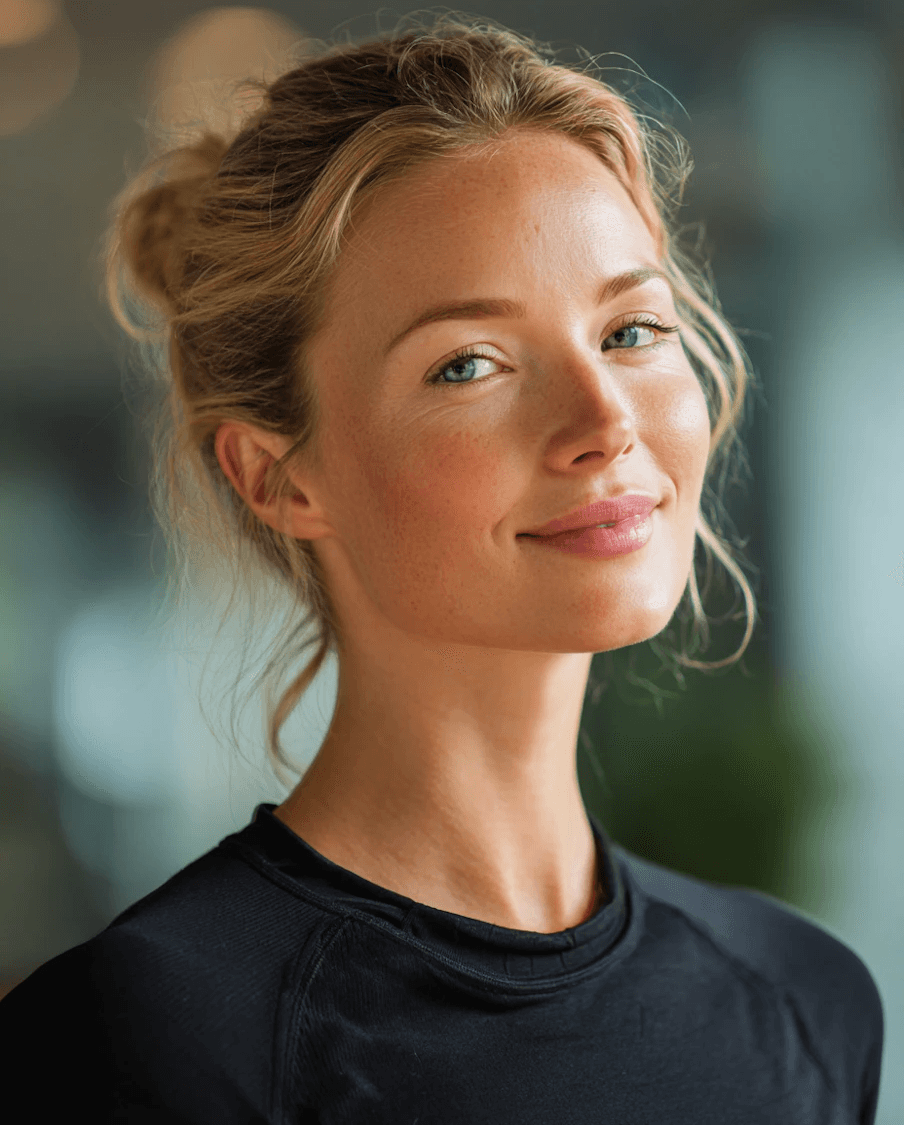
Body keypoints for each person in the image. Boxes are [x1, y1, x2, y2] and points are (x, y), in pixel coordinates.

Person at [0, 13, 883, 1123]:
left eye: (629, 331)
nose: (603, 421)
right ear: (279, 476)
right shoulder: (152, 1040)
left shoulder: (806, 999)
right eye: (469, 364)